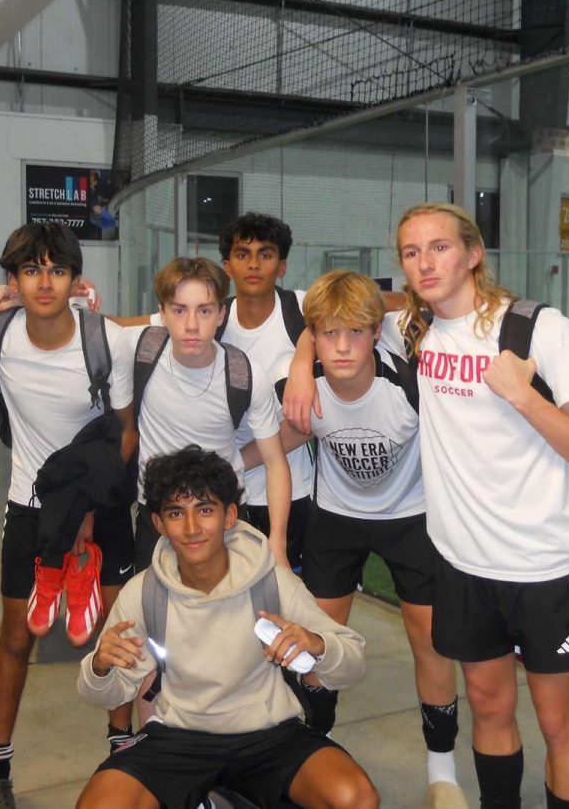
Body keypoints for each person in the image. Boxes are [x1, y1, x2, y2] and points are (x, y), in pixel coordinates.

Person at [287, 203, 569, 809]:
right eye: (411, 252)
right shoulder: (416, 330)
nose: (424, 261)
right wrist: (301, 367)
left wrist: (524, 397)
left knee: (557, 722)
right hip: (464, 563)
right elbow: (330, 312)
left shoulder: (538, 329)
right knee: (490, 708)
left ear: (473, 253)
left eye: (439, 247)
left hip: (545, 561)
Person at [247, 270, 467, 808]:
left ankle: (444, 775)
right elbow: (293, 435)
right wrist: (222, 469)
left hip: (410, 517)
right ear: (314, 336)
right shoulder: (291, 383)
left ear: (377, 333)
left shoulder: (412, 381)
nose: (342, 347)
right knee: (314, 642)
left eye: (356, 333)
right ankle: (314, 750)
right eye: (327, 335)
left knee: (430, 639)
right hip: (335, 517)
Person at [0, 223, 139, 808]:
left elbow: (125, 432)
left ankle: (122, 750)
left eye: (57, 270)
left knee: (116, 632)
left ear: (76, 279)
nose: (44, 282)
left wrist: (89, 503)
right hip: (29, 506)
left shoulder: (106, 340)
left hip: (100, 507)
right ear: (13, 279)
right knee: (16, 637)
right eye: (32, 270)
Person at [75, 446, 377, 809]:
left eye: (204, 510)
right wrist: (100, 667)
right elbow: (106, 694)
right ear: (158, 523)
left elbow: (353, 663)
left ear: (229, 515)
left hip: (269, 735)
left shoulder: (272, 583)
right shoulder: (144, 592)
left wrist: (318, 645)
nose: (191, 529)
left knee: (355, 798)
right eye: (175, 513)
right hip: (178, 738)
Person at [130, 257, 293, 571]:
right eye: (179, 310)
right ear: (161, 313)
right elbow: (76, 328)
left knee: (231, 617)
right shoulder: (140, 352)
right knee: (155, 616)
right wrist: (11, 303)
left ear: (221, 314)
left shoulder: (244, 374)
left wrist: (277, 541)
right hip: (159, 516)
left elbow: (275, 462)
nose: (192, 325)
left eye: (204, 310)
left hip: (224, 517)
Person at [216, 213, 314, 571]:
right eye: (243, 254)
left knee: (288, 609)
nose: (254, 263)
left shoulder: (303, 310)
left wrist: (304, 360)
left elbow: (368, 303)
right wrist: (78, 311)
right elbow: (145, 324)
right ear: (227, 266)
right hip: (228, 494)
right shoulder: (210, 319)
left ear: (283, 266)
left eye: (266, 254)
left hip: (293, 492)